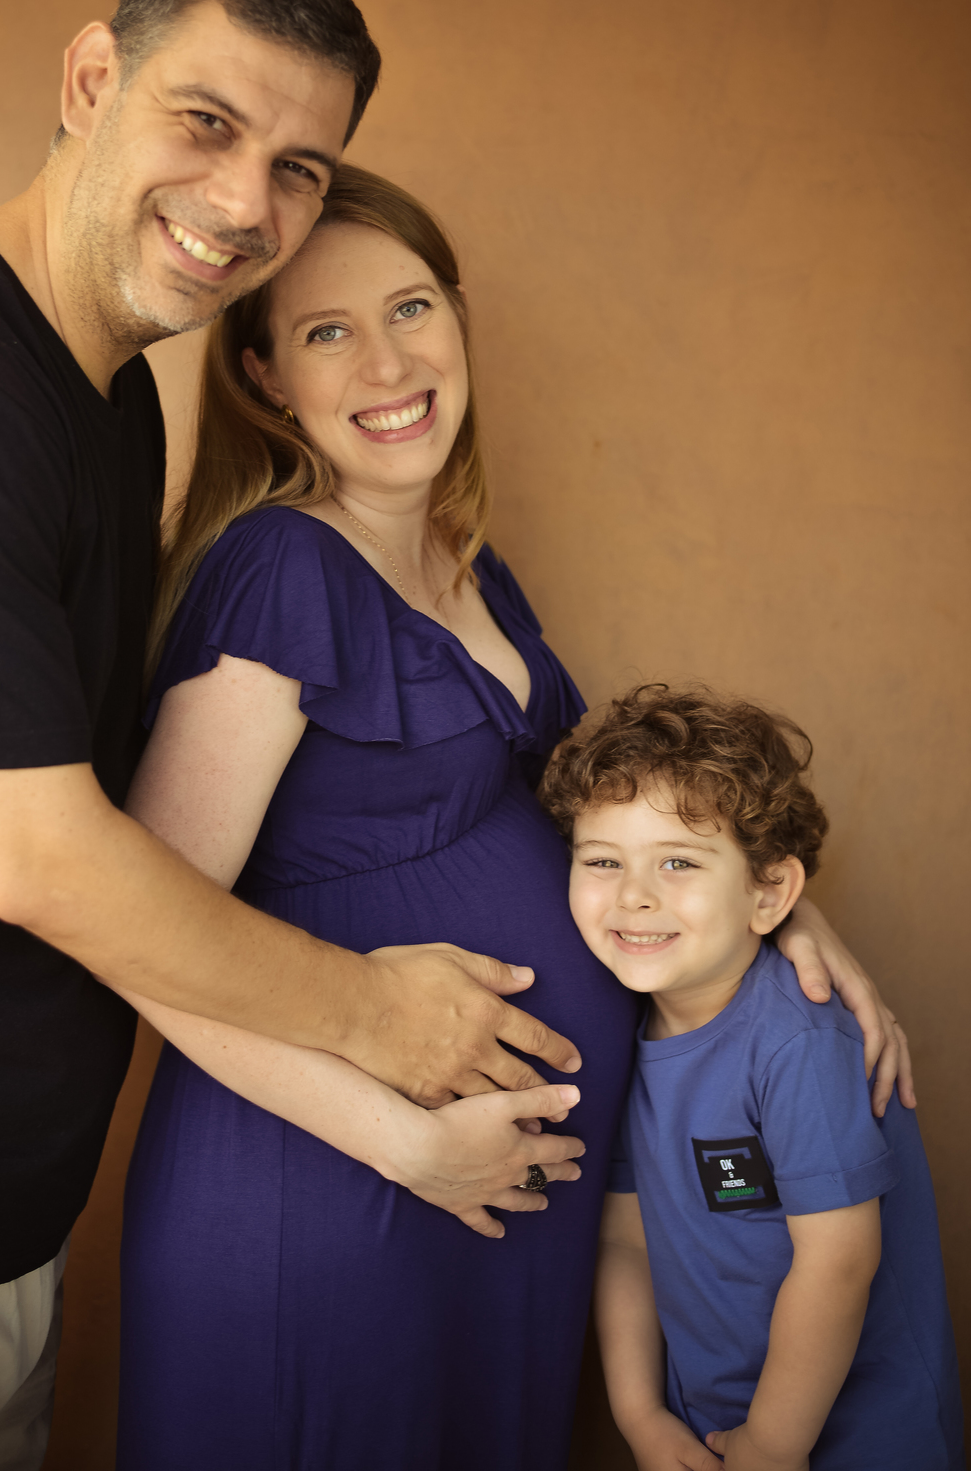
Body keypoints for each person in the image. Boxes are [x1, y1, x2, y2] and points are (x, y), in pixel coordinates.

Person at [0, 0, 596, 1470]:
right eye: (205, 124)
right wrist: (381, 1030)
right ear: (93, 80)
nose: (244, 205)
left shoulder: (93, 396)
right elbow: (40, 859)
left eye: (298, 164)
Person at [115, 167, 912, 1471]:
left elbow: (611, 801)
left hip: (488, 1212)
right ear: (265, 378)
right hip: (333, 1181)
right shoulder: (281, 565)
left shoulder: (472, 569)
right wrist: (407, 1143)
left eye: (413, 307)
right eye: (327, 331)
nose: (389, 360)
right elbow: (136, 923)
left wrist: (789, 914)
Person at [541, 684, 962, 1471]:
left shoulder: (796, 1041)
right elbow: (625, 1241)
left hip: (856, 1439)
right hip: (707, 1428)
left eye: (678, 862)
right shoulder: (622, 1035)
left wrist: (773, 1444)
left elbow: (838, 1259)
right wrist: (639, 1414)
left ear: (769, 894)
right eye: (603, 861)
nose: (635, 894)